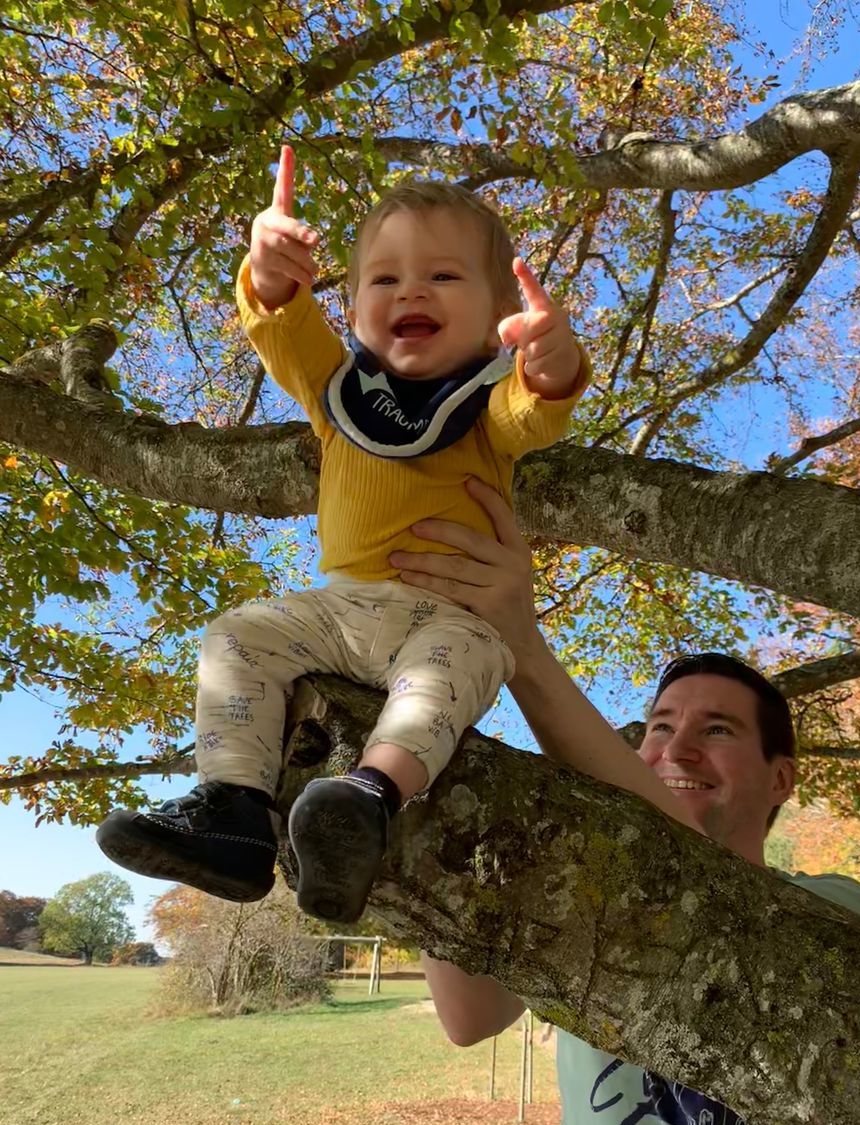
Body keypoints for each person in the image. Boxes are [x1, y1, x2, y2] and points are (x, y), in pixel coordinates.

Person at [390, 479, 860, 1125]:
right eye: (658, 729)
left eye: (717, 729)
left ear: (781, 779)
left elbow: (706, 892)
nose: (675, 751)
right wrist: (426, 745)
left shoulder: (838, 911)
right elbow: (469, 1015)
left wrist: (524, 651)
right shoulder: (580, 913)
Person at [96, 145, 588, 923]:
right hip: (339, 608)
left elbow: (535, 408)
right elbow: (281, 327)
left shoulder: (478, 413)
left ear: (499, 321)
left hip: (445, 616)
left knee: (451, 672)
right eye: (383, 279)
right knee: (237, 634)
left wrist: (551, 360)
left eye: (444, 276)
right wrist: (267, 269)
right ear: (354, 309)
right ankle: (235, 811)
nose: (411, 290)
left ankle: (364, 799)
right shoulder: (339, 394)